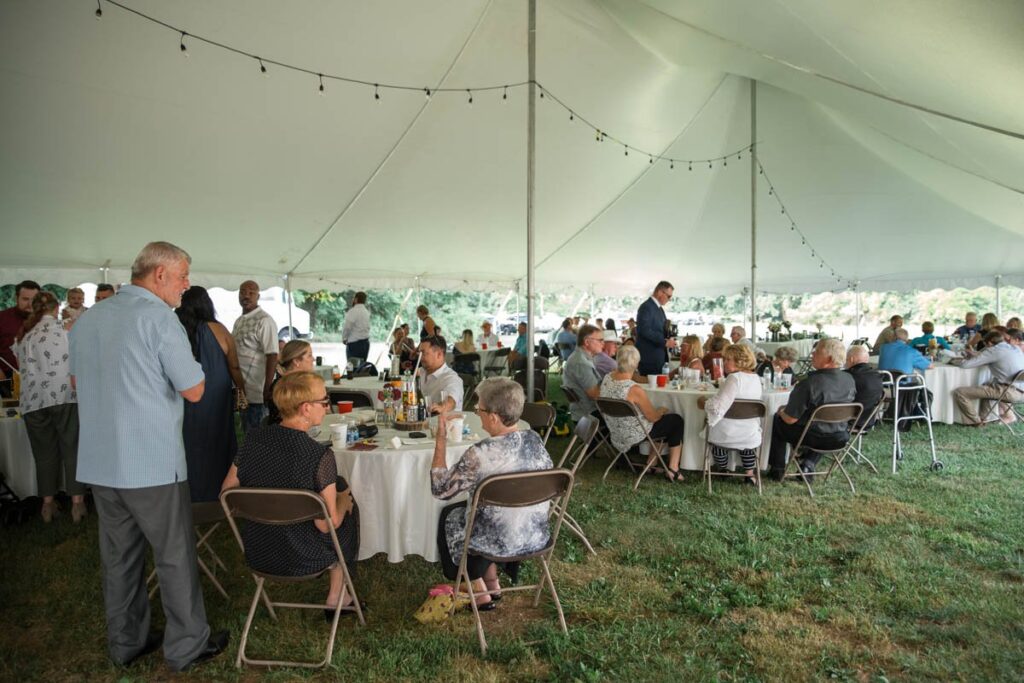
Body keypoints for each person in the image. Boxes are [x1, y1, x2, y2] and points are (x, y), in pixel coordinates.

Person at [69, 242, 227, 671]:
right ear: (159, 275)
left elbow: (76, 382)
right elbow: (194, 390)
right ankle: (188, 645)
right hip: (151, 461)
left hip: (101, 460)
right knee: (174, 555)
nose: (186, 285)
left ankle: (126, 642)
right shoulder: (159, 318)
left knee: (118, 558)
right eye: (183, 276)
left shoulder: (89, 319)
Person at [221, 372, 360, 619]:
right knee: (347, 508)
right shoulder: (319, 456)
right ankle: (337, 595)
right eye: (324, 401)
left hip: (259, 550)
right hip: (306, 557)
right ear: (306, 408)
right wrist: (344, 499)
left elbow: (227, 493)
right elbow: (328, 525)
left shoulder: (253, 439)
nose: (328, 407)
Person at [431, 378, 552, 610]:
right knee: (490, 512)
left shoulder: (480, 453)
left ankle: (478, 590)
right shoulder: (535, 441)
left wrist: (441, 441)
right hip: (534, 534)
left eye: (480, 409)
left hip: (496, 541)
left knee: (450, 515)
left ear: (494, 417)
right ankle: (492, 583)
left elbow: (441, 489)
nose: (477, 413)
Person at [14, 291, 84, 522]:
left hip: (33, 401)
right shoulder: (66, 330)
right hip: (64, 395)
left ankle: (47, 504)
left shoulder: (23, 337)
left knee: (44, 455)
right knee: (71, 449)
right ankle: (77, 504)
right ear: (56, 308)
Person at [175, 286, 246, 503]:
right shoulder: (219, 330)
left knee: (186, 440)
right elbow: (233, 365)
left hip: (182, 393)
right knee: (217, 438)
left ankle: (187, 492)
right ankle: (221, 491)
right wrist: (242, 388)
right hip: (216, 395)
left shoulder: (175, 328)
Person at [767, 339, 855, 480]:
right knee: (826, 424)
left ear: (829, 359)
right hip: (840, 436)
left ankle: (777, 469)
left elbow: (790, 419)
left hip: (813, 437)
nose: (812, 354)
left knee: (778, 420)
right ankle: (808, 463)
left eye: (817, 351)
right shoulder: (849, 379)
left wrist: (781, 411)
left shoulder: (809, 383)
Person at [600, 345, 685, 481]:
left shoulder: (607, 379)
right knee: (675, 421)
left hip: (615, 432)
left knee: (664, 424)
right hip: (634, 434)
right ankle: (673, 468)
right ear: (636, 364)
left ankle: (651, 463)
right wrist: (661, 411)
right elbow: (653, 417)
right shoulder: (633, 389)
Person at [700, 344, 762, 485]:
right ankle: (749, 474)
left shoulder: (734, 378)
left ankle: (723, 470)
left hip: (727, 433)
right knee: (747, 444)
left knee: (716, 437)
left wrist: (703, 402)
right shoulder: (756, 378)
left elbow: (717, 407)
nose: (725, 363)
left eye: (728, 359)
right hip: (749, 432)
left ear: (739, 361)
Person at [232, 280, 279, 433]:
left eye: (251, 293)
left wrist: (267, 388)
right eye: (242, 292)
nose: (246, 296)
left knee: (258, 438)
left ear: (258, 296)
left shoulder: (264, 320)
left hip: (258, 392)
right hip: (244, 391)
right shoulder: (239, 321)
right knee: (248, 435)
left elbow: (272, 354)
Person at [954, 330, 1024, 426]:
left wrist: (953, 361)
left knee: (960, 392)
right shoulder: (1015, 348)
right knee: (987, 385)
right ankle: (984, 418)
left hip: (1008, 392)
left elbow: (965, 365)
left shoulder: (993, 351)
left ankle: (976, 422)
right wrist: (978, 355)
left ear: (989, 343)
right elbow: (999, 359)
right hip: (1021, 391)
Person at [0, 279, 40, 395]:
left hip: (39, 380)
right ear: (16, 298)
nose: (30, 304)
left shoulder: (45, 320)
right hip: (7, 378)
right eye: (25, 299)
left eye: (34, 300)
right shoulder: (2, 318)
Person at [265, 339, 314, 424]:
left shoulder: (293, 382)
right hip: (284, 434)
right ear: (296, 361)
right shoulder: (286, 386)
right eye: (309, 355)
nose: (313, 359)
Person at [562, 324, 603, 422]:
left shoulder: (581, 357)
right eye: (600, 340)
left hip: (585, 412)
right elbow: (595, 394)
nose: (603, 343)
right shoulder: (580, 363)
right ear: (587, 342)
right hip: (590, 414)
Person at [636, 281, 677, 376]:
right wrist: (665, 342)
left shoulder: (658, 308)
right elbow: (644, 330)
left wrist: (669, 337)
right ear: (659, 292)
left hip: (657, 358)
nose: (669, 299)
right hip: (649, 359)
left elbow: (659, 330)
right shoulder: (646, 307)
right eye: (669, 296)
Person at [417, 335, 463, 411]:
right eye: (419, 353)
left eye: (423, 353)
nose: (419, 357)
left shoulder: (451, 378)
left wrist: (441, 407)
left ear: (439, 354)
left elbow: (451, 400)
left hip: (444, 422)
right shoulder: (419, 372)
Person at [845, 344, 884, 429]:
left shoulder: (846, 377)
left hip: (845, 422)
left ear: (851, 359)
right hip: (867, 421)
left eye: (846, 359)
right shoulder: (877, 376)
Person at [342, 291, 371, 366]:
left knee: (352, 367)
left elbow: (347, 327)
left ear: (356, 299)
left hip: (355, 344)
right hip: (365, 343)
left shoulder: (353, 311)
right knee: (361, 368)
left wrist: (344, 338)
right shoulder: (366, 312)